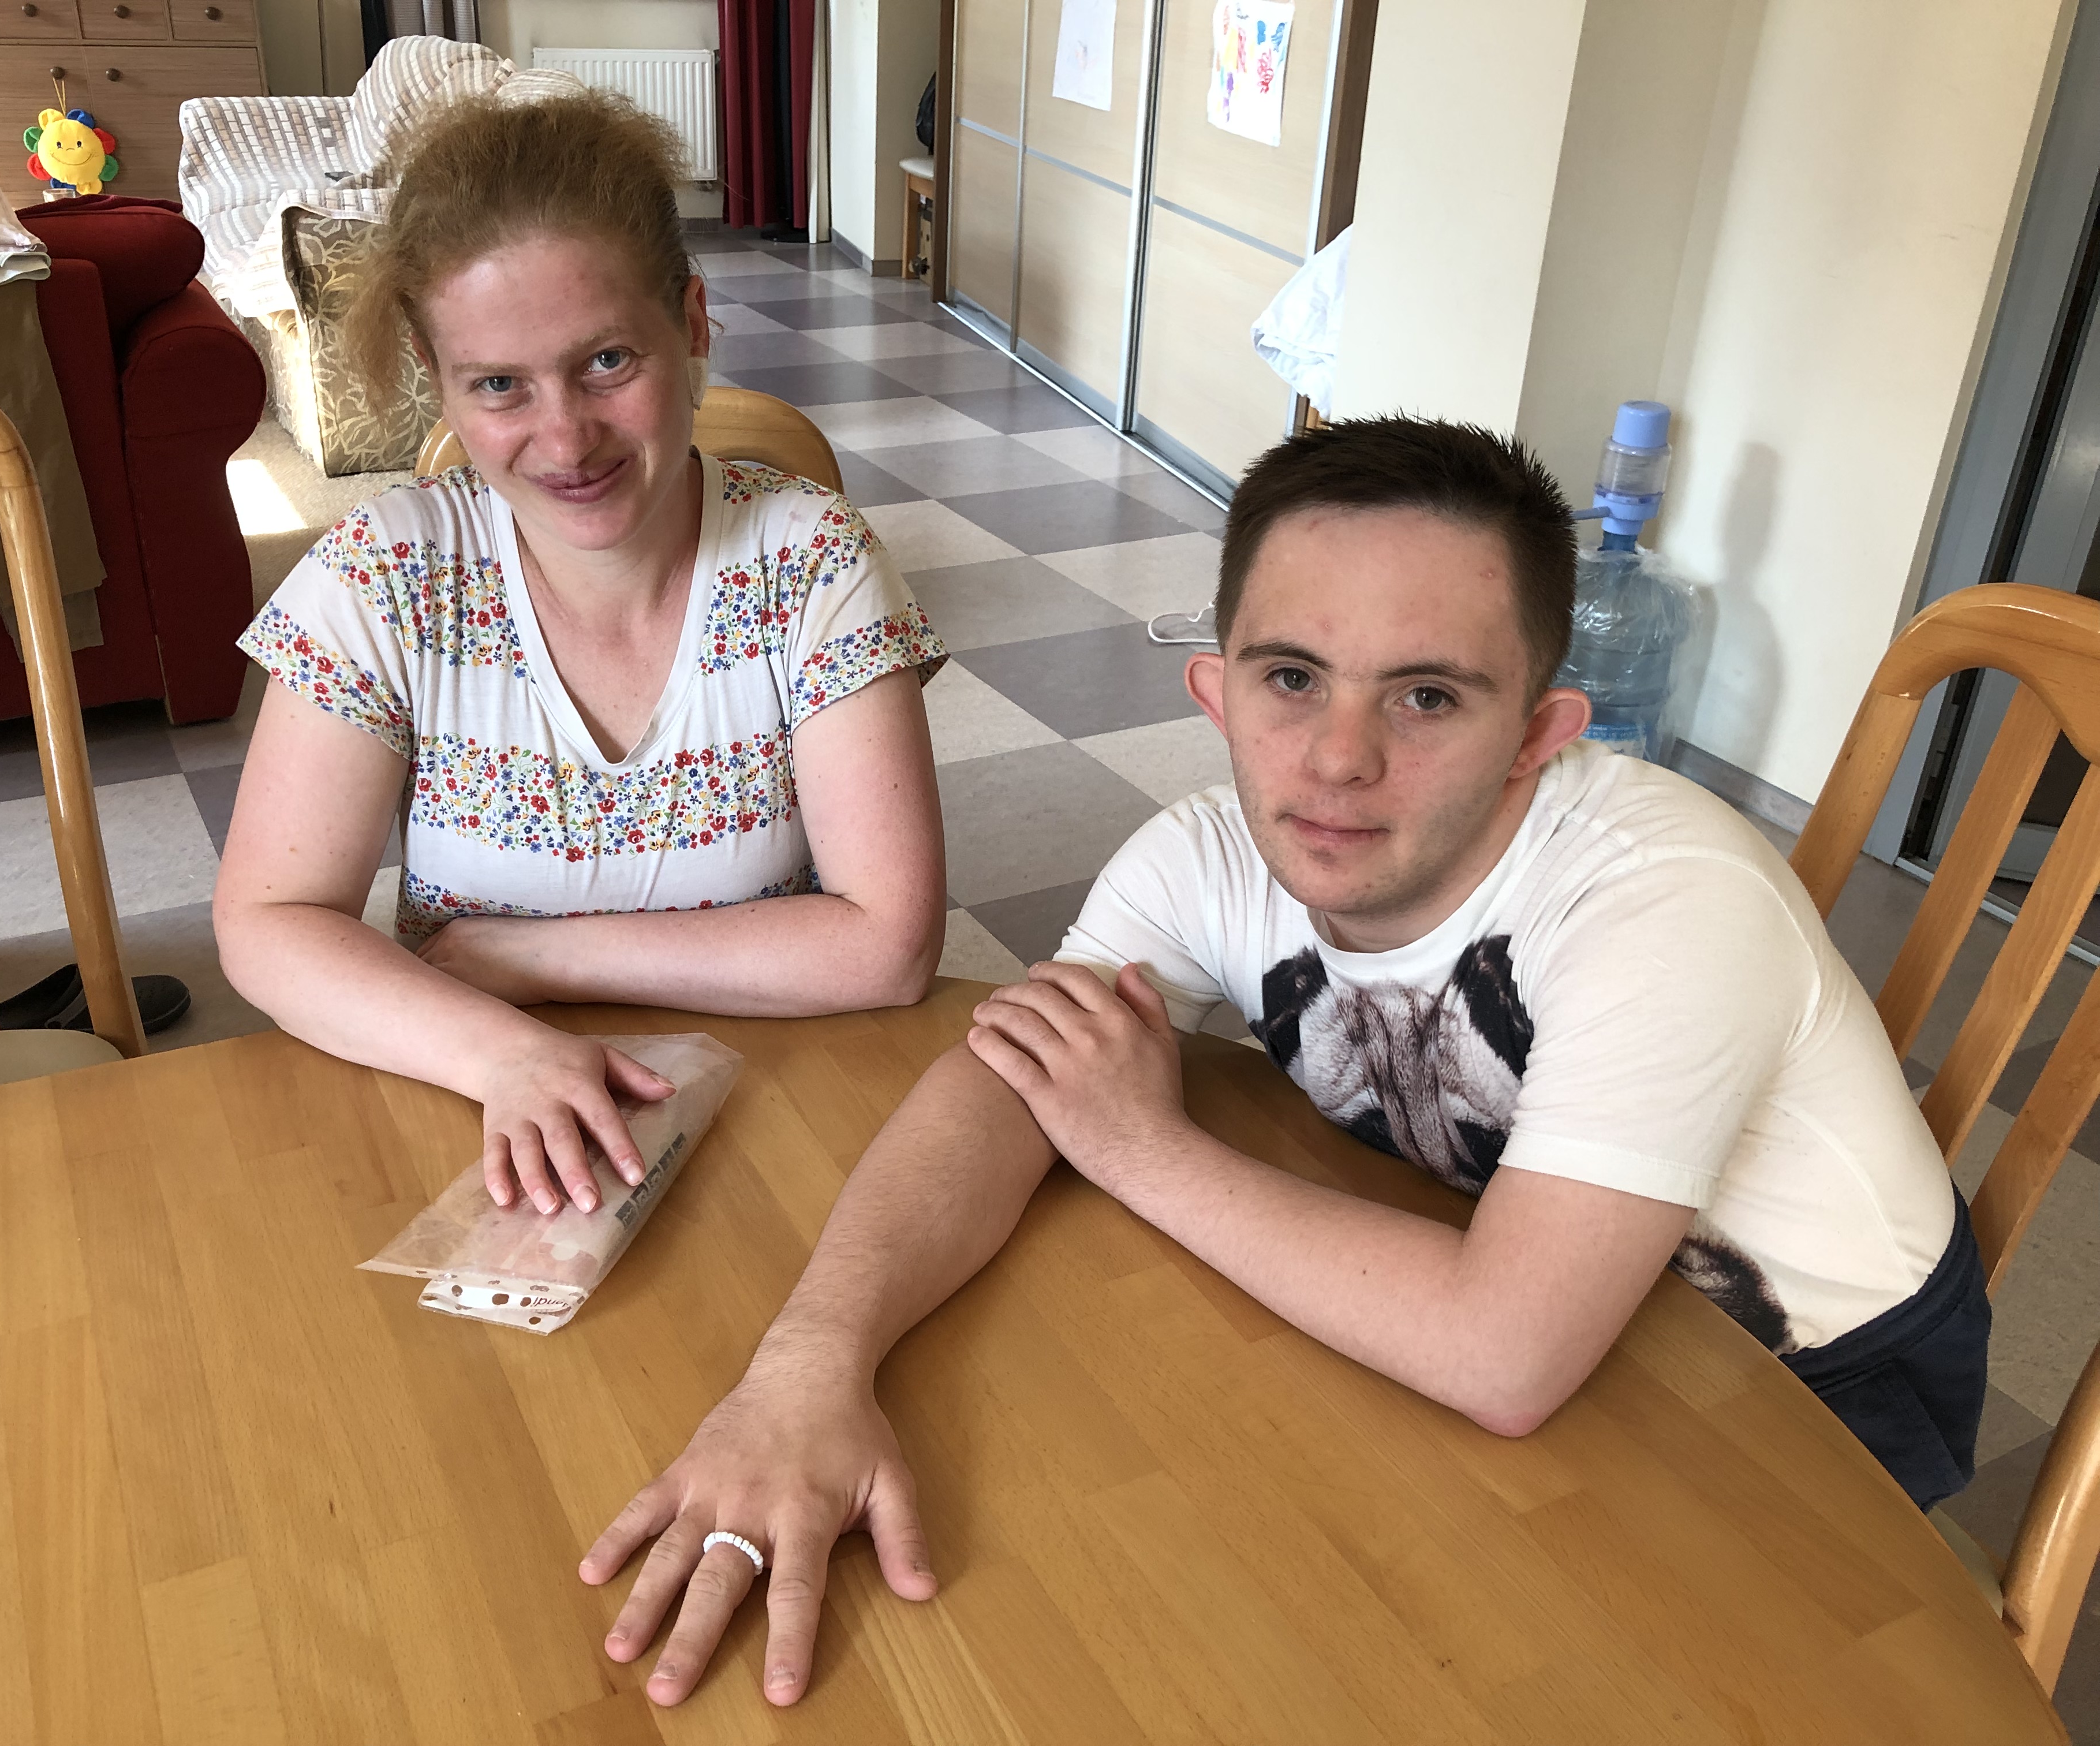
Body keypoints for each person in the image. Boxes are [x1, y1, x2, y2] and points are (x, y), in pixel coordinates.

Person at [576, 417, 1983, 1707]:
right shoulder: (1202, 854)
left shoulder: (1666, 899)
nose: (1337, 759)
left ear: (1544, 734)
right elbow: (1012, 1078)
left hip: (1815, 1390)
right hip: (1513, 1278)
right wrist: (810, 1363)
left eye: (1428, 697)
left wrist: (1138, 1141)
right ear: (1216, 689)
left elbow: (1501, 1354)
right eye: (1292, 679)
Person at [213, 91, 948, 1217]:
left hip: (785, 1112)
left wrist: (527, 959)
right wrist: (503, 1054)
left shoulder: (813, 559)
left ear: (691, 322)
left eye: (607, 361)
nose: (562, 440)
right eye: (498, 385)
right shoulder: (382, 578)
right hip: (468, 1109)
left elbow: (888, 948)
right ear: (437, 371)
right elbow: (268, 923)